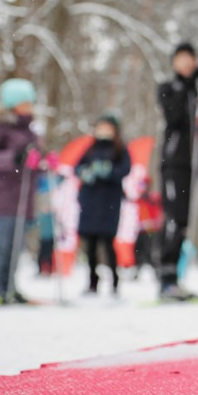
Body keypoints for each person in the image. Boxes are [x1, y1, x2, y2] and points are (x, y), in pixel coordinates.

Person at [156, 42, 198, 300]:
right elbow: (173, 116)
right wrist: (189, 87)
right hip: (173, 164)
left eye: (190, 59)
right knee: (173, 219)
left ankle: (175, 276)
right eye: (182, 59)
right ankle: (165, 277)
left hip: (193, 165)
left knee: (184, 221)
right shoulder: (168, 88)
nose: (187, 64)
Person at [0, 79, 43, 305]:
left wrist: (41, 162)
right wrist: (13, 158)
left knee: (15, 248)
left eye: (29, 102)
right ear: (13, 104)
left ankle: (7, 288)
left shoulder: (30, 130)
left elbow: (32, 161)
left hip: (23, 200)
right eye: (24, 102)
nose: (29, 106)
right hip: (2, 199)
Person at [76, 114, 131, 296]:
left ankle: (115, 281)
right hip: (90, 202)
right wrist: (87, 172)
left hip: (109, 203)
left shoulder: (119, 149)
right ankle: (92, 281)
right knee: (90, 246)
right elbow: (78, 167)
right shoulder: (90, 148)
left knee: (108, 244)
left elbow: (124, 169)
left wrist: (109, 172)